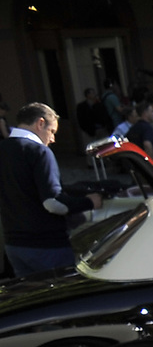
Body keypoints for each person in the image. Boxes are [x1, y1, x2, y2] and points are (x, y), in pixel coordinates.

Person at [2, 104, 99, 277]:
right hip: (47, 246)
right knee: (65, 298)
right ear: (40, 123)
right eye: (52, 131)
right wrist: (90, 202)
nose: (53, 139)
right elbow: (53, 203)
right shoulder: (39, 152)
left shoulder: (3, 149)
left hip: (13, 245)